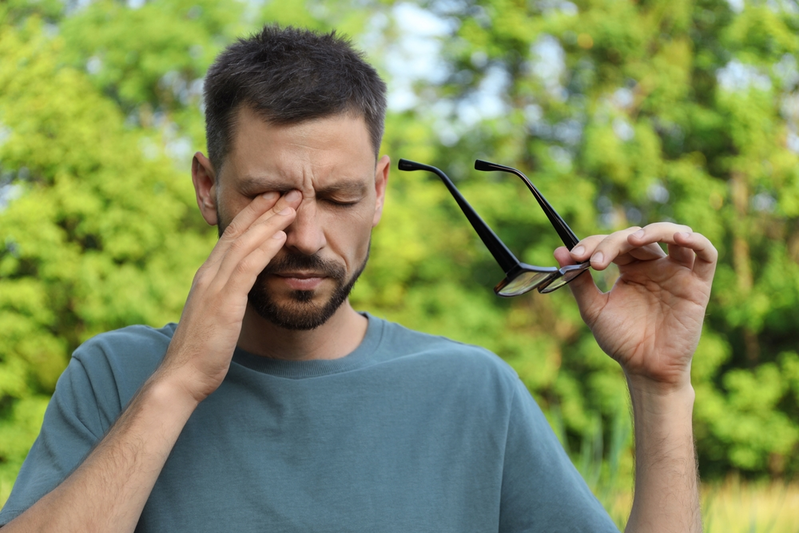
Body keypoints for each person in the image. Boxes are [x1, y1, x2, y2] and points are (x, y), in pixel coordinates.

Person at [0, 25, 715, 532]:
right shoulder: (114, 375)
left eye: (339, 198)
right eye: (267, 198)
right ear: (206, 185)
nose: (307, 238)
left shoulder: (472, 392)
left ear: (379, 190)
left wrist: (661, 387)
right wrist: (180, 379)